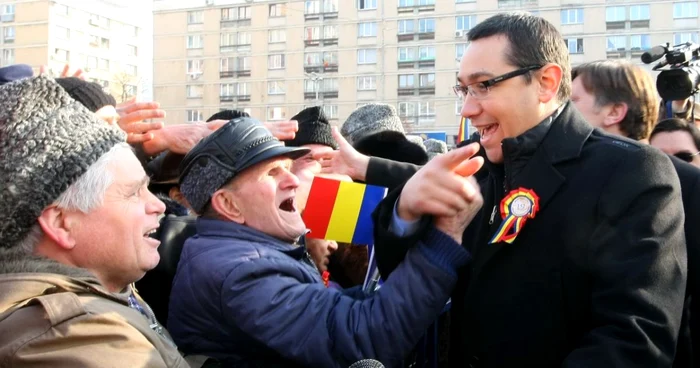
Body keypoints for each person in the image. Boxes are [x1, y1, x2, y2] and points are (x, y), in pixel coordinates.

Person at [368, 12, 687, 367]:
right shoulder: (470, 166)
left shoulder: (631, 172)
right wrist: (404, 213)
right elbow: (404, 278)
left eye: (484, 85)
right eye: (464, 89)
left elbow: (634, 338)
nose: (468, 108)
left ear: (546, 82)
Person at [167, 116, 483, 367]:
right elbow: (362, 342)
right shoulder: (241, 274)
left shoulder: (242, 254)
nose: (293, 180)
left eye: (288, 168)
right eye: (272, 173)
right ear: (229, 205)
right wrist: (441, 242)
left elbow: (341, 311)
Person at [0, 75, 190, 367]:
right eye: (133, 193)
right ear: (62, 223)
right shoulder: (75, 335)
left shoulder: (100, 281)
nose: (157, 205)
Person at [571, 59, 700, 367]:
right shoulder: (572, 180)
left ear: (615, 112)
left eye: (572, 102)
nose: (561, 113)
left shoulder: (689, 185)